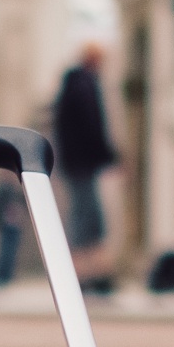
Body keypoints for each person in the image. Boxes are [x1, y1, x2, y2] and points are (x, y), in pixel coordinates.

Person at [50, 43, 119, 281]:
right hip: (83, 163)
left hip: (75, 162)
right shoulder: (85, 85)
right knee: (88, 215)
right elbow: (92, 126)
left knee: (85, 213)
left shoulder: (72, 84)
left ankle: (86, 267)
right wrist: (109, 155)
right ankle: (85, 270)